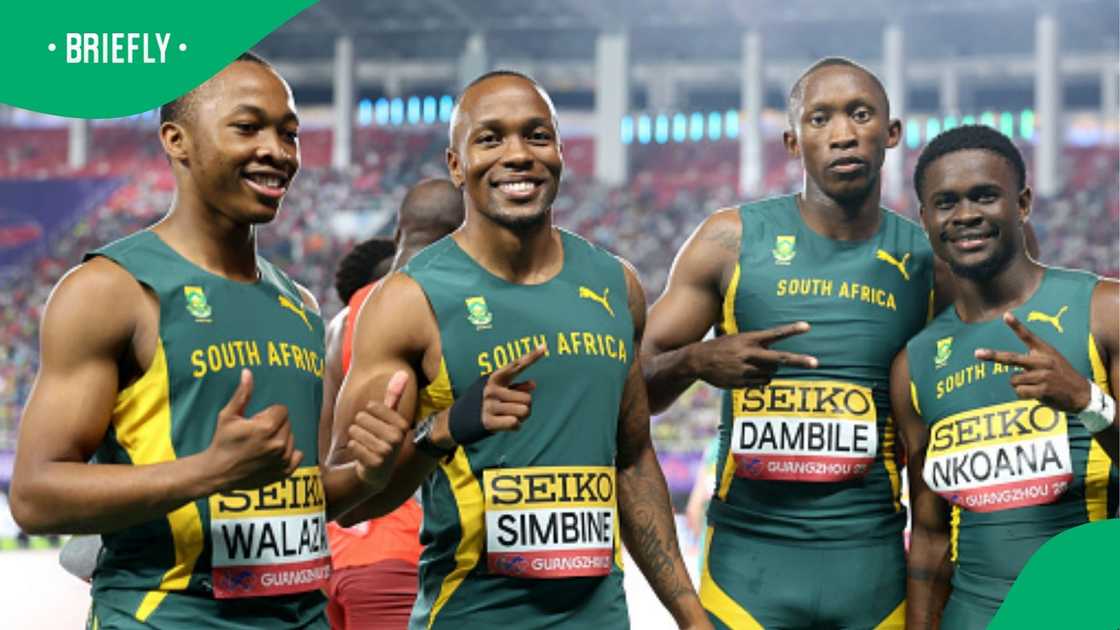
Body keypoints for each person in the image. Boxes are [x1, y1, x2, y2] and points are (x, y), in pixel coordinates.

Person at [9, 52, 380, 629]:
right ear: (176, 141)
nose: (277, 150)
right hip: (166, 616)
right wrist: (206, 471)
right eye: (248, 126)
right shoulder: (112, 290)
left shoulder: (301, 307)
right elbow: (35, 494)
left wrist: (384, 463)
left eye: (290, 133)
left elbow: (302, 497)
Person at [331, 70, 711, 629]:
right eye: (490, 138)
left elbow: (630, 459)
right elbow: (350, 499)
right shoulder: (408, 302)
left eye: (536, 136)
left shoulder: (615, 286)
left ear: (559, 151)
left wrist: (689, 614)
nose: (518, 155)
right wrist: (442, 430)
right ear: (456, 165)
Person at [642, 57, 938, 629]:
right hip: (746, 574)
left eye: (860, 114)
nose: (843, 134)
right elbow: (633, 386)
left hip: (872, 571)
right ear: (792, 141)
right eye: (820, 119)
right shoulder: (729, 240)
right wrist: (695, 359)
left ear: (892, 133)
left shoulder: (926, 260)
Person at [893, 125, 1118, 630]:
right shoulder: (915, 363)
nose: (966, 214)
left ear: (1022, 203)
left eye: (984, 196)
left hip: (1092, 611)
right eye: (946, 202)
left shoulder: (1104, 311)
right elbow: (929, 539)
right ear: (925, 219)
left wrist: (1089, 403)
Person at [322, 179, 464, 630]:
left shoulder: (342, 322)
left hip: (332, 551)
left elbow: (325, 448)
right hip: (403, 550)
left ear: (400, 228)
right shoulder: (433, 310)